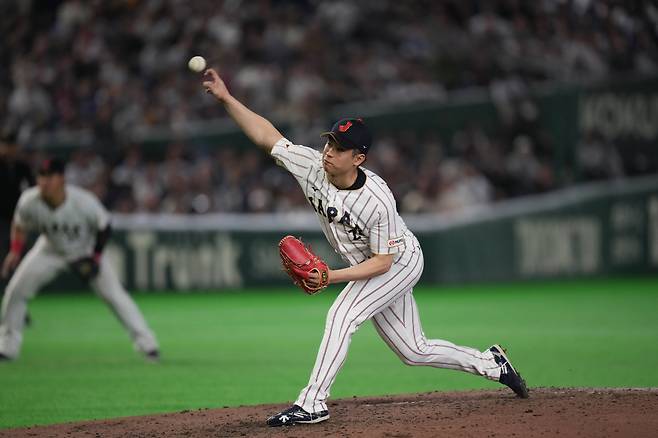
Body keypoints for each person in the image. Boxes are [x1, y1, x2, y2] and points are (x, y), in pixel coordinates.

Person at [202, 68, 529, 427]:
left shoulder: (377, 199)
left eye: (339, 149)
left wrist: (332, 276)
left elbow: (383, 262)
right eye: (329, 143)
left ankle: (313, 403)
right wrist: (227, 99)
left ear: (358, 158)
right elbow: (268, 137)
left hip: (397, 262)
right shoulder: (312, 166)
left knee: (342, 316)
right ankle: (491, 363)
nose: (329, 152)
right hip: (368, 263)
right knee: (414, 351)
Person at [0, 157, 160, 362]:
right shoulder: (30, 200)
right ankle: (7, 347)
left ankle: (148, 345)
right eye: (41, 176)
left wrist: (95, 257)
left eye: (51, 176)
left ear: (62, 179)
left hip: (85, 250)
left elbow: (105, 227)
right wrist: (15, 250)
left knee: (115, 296)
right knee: (16, 291)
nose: (45, 182)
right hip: (49, 250)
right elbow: (19, 225)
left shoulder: (83, 201)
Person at [0, 124, 35, 326]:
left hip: (18, 222)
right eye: (6, 145)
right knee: (5, 266)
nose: (9, 149)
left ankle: (18, 310)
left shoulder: (22, 167)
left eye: (11, 145)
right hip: (1, 222)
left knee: (18, 267)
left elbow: (33, 190)